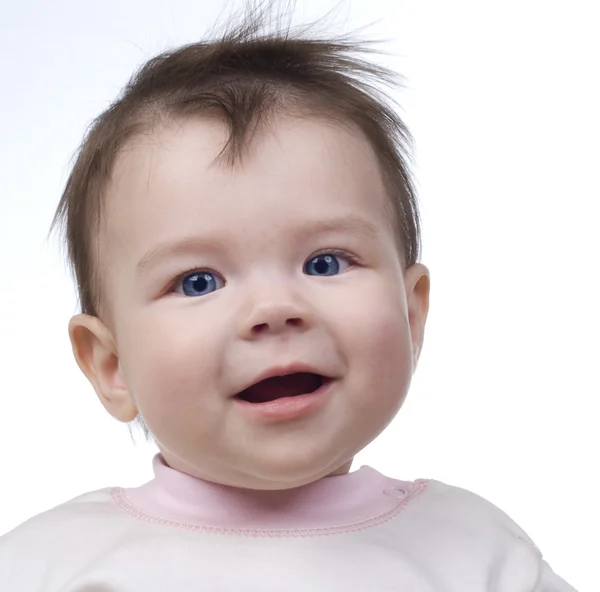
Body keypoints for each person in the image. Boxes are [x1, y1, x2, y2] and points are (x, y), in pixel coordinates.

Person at [0, 3, 577, 590]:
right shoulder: (48, 565)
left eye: (325, 262)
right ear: (112, 364)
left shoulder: (476, 551)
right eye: (199, 281)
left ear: (409, 315)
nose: (276, 309)